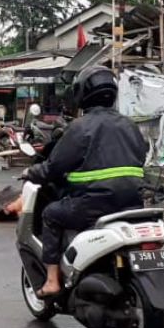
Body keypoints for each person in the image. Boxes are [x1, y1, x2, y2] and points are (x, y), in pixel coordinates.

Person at [25, 67, 148, 298]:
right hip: (132, 203)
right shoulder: (130, 125)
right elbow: (142, 155)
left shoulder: (80, 127)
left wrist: (32, 172)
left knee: (51, 214)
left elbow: (55, 167)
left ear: (81, 94)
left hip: (93, 204)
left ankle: (52, 281)